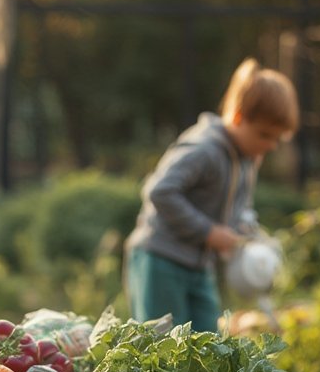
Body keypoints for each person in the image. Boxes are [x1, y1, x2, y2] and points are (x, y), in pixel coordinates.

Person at [124, 58, 298, 333]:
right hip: (161, 260)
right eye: (264, 135)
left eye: (276, 139)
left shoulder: (247, 159)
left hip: (199, 265)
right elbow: (159, 190)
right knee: (160, 349)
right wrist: (208, 232)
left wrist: (247, 233)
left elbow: (239, 209)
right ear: (238, 117)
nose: (269, 146)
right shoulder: (204, 149)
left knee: (210, 344)